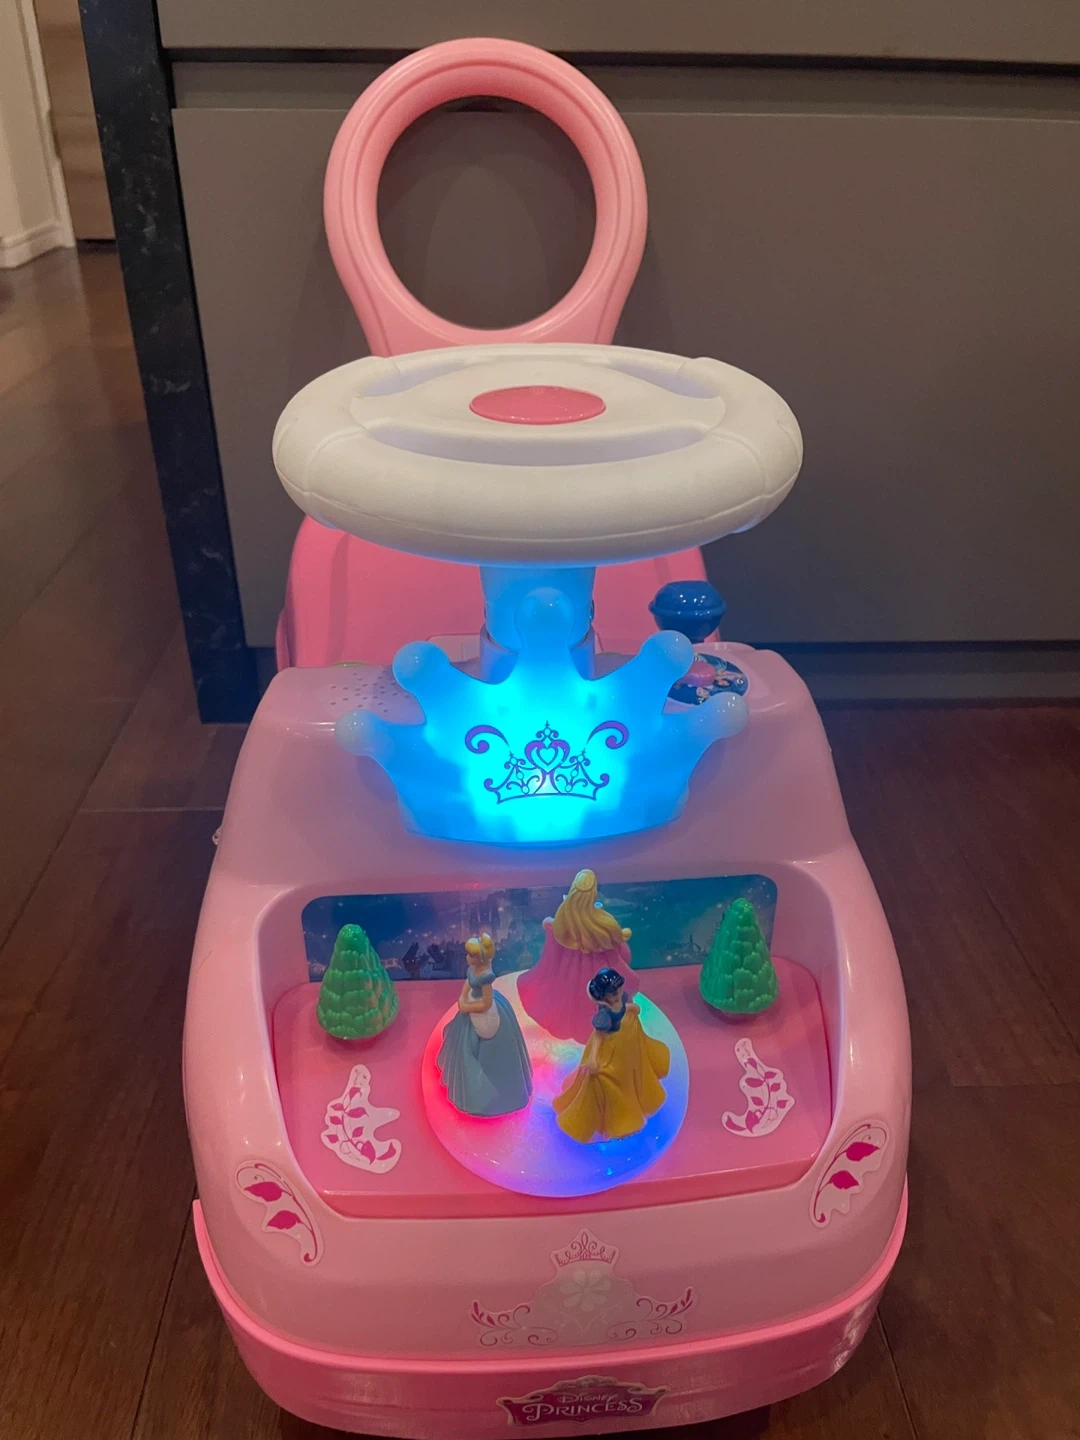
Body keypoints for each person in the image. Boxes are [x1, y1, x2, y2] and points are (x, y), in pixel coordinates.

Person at [517, 869, 636, 1042]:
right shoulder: (602, 924)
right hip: (595, 974)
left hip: (571, 975)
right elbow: (623, 952)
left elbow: (550, 929)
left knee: (575, 1003)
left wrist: (549, 925)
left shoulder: (564, 922)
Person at [553, 967, 670, 1143]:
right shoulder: (604, 1015)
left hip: (628, 1041)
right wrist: (593, 1059)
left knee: (634, 1070)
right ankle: (619, 1120)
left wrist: (632, 1008)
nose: (618, 994)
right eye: (613, 993)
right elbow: (598, 1036)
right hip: (610, 1047)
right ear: (603, 996)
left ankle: (638, 1097)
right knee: (609, 1080)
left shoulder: (619, 1000)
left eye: (619, 990)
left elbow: (622, 1008)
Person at [437, 932, 532, 1117]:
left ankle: (492, 1094)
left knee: (482, 1041)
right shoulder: (473, 970)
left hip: (482, 1011)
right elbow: (468, 984)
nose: (467, 958)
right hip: (470, 1006)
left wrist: (468, 1007)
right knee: (462, 1040)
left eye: (471, 955)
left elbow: (486, 1003)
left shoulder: (486, 977)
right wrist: (463, 998)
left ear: (480, 958)